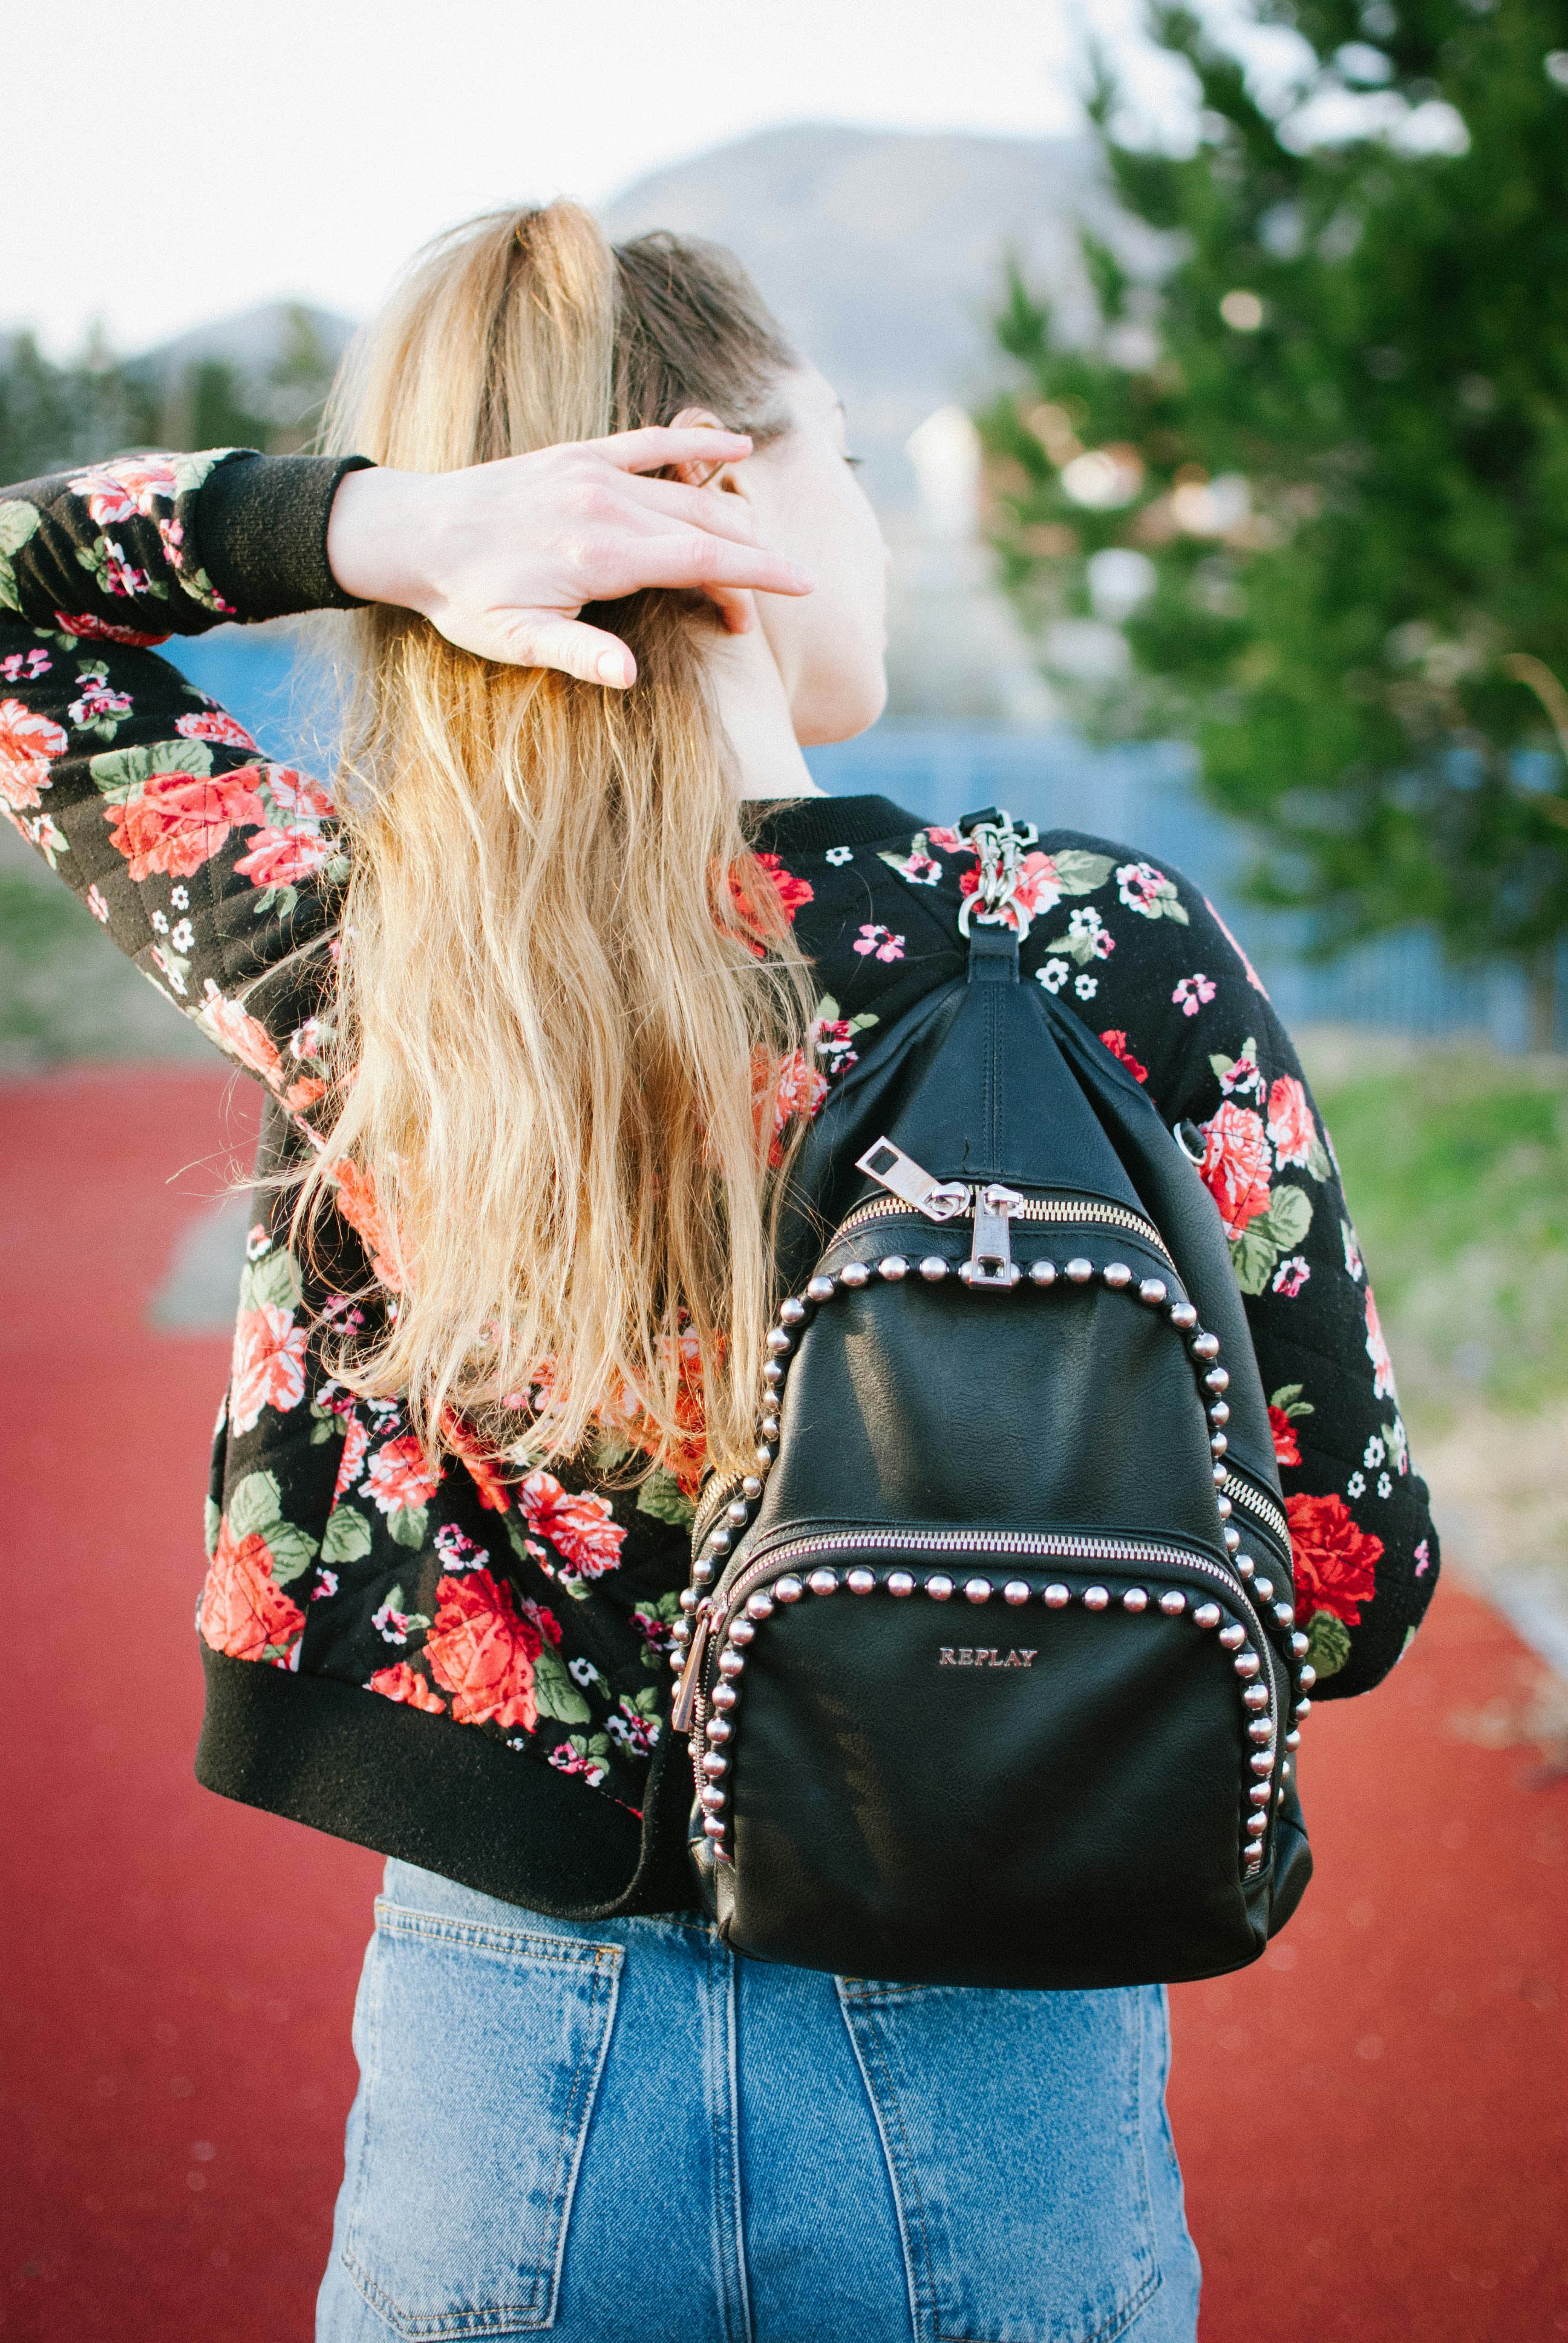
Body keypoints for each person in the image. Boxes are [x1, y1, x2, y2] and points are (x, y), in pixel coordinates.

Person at [0, 202, 1438, 2343]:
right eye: (844, 459)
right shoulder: (1093, 944)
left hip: (512, 2046)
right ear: (722, 488)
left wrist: (381, 533)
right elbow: (1343, 1575)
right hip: (996, 2035)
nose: (860, 515)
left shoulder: (384, 957)